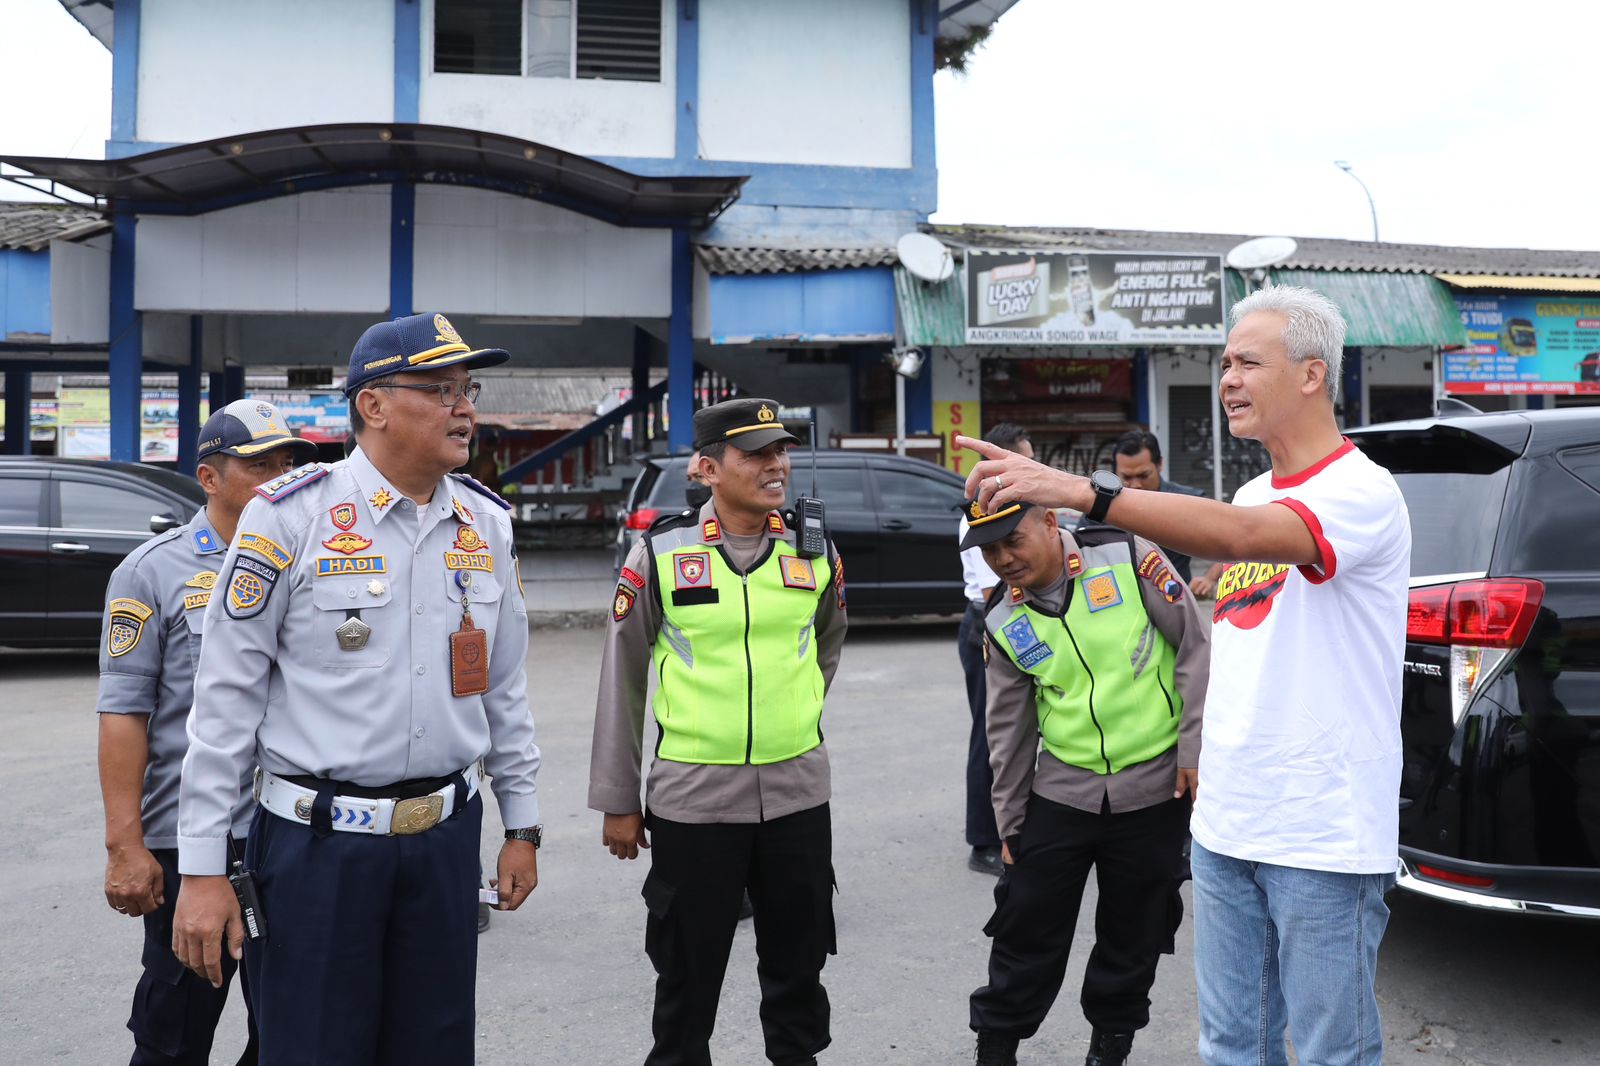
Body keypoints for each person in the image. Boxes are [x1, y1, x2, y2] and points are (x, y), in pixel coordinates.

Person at [957, 284, 1411, 1066]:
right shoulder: (1253, 490)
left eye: (1248, 362)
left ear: (1311, 375)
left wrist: (1082, 493)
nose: (1228, 378)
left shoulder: (1359, 491)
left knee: (1333, 1051)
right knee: (1233, 1045)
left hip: (1320, 831)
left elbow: (1242, 536)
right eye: (1224, 362)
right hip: (1229, 824)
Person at [171, 312, 545, 1066]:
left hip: (444, 843)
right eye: (442, 389)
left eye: (467, 389)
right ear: (373, 405)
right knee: (314, 1049)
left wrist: (522, 824)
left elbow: (503, 686)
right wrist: (203, 867)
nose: (465, 407)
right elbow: (223, 704)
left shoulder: (486, 524)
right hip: (317, 851)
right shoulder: (290, 517)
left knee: (434, 1049)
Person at [590, 397, 847, 1066]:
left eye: (780, 451)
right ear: (708, 468)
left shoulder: (814, 549)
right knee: (687, 978)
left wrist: (795, 710)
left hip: (797, 797)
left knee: (799, 971)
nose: (775, 465)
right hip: (694, 802)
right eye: (755, 454)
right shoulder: (662, 553)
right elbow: (623, 679)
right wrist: (619, 799)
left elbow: (825, 645)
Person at [97, 400, 313, 1066]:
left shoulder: (312, 559)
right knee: (174, 1033)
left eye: (288, 465)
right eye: (261, 467)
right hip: (194, 842)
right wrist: (125, 845)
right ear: (210, 478)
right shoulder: (151, 572)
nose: (279, 480)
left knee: (290, 1030)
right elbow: (123, 713)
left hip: (293, 833)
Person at [962, 497, 1207, 1066]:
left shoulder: (1126, 557)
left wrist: (1194, 749)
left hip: (1155, 788)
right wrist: (1011, 821)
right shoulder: (1003, 616)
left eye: (1012, 540)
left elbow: (1195, 647)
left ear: (1051, 523)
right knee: (1025, 924)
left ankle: (1109, 1050)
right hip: (1062, 790)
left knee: (1136, 928)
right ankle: (995, 1050)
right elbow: (1008, 730)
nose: (1003, 558)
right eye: (989, 550)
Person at [956, 423, 1033, 875]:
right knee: (992, 735)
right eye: (1023, 459)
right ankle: (984, 841)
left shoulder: (1017, 505)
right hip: (988, 626)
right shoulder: (980, 515)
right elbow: (995, 593)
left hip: (1005, 622)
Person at [1107, 429, 1220, 589]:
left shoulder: (1187, 501)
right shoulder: (1102, 508)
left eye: (1143, 475)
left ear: (1160, 464)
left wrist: (1210, 578)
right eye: (1127, 477)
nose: (1136, 484)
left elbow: (1235, 536)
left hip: (1174, 605)